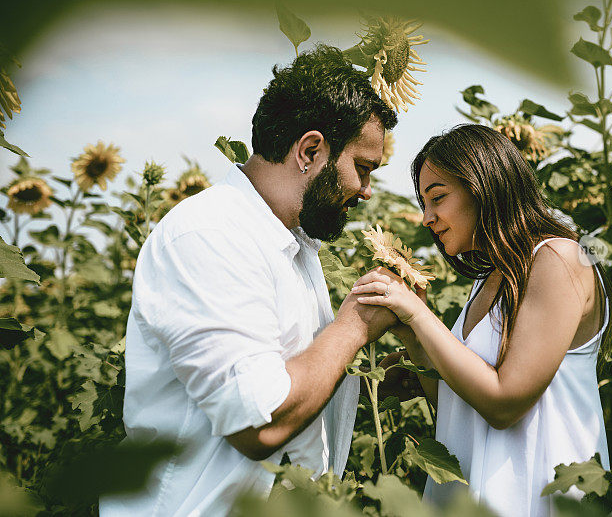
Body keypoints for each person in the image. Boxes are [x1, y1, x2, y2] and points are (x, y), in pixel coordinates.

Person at [99, 45, 399, 516]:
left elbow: (303, 374)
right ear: (310, 150)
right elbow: (260, 424)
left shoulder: (292, 245)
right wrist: (354, 327)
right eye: (362, 168)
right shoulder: (211, 235)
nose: (365, 191)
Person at [351, 124, 612, 517]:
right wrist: (414, 338)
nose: (427, 218)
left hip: (542, 498)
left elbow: (505, 404)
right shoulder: (490, 279)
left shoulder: (561, 259)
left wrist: (420, 315)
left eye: (437, 198)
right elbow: (459, 406)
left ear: (483, 187)